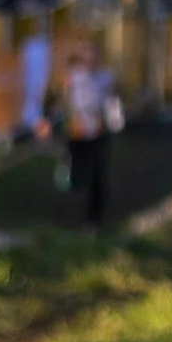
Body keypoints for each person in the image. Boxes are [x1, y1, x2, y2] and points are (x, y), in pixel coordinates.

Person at [48, 27, 124, 226]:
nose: (90, 57)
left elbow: (113, 102)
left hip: (98, 132)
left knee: (98, 174)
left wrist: (114, 120)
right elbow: (60, 100)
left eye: (94, 53)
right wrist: (49, 120)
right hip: (77, 133)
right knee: (78, 175)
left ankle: (94, 217)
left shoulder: (106, 78)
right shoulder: (72, 77)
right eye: (86, 52)